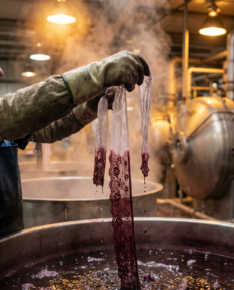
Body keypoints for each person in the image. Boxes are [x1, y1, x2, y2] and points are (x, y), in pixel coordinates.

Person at [0, 51, 150, 237]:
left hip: (9, 235)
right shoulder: (5, 117)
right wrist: (98, 74)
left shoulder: (10, 126)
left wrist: (89, 109)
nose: (1, 72)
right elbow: (14, 111)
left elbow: (49, 129)